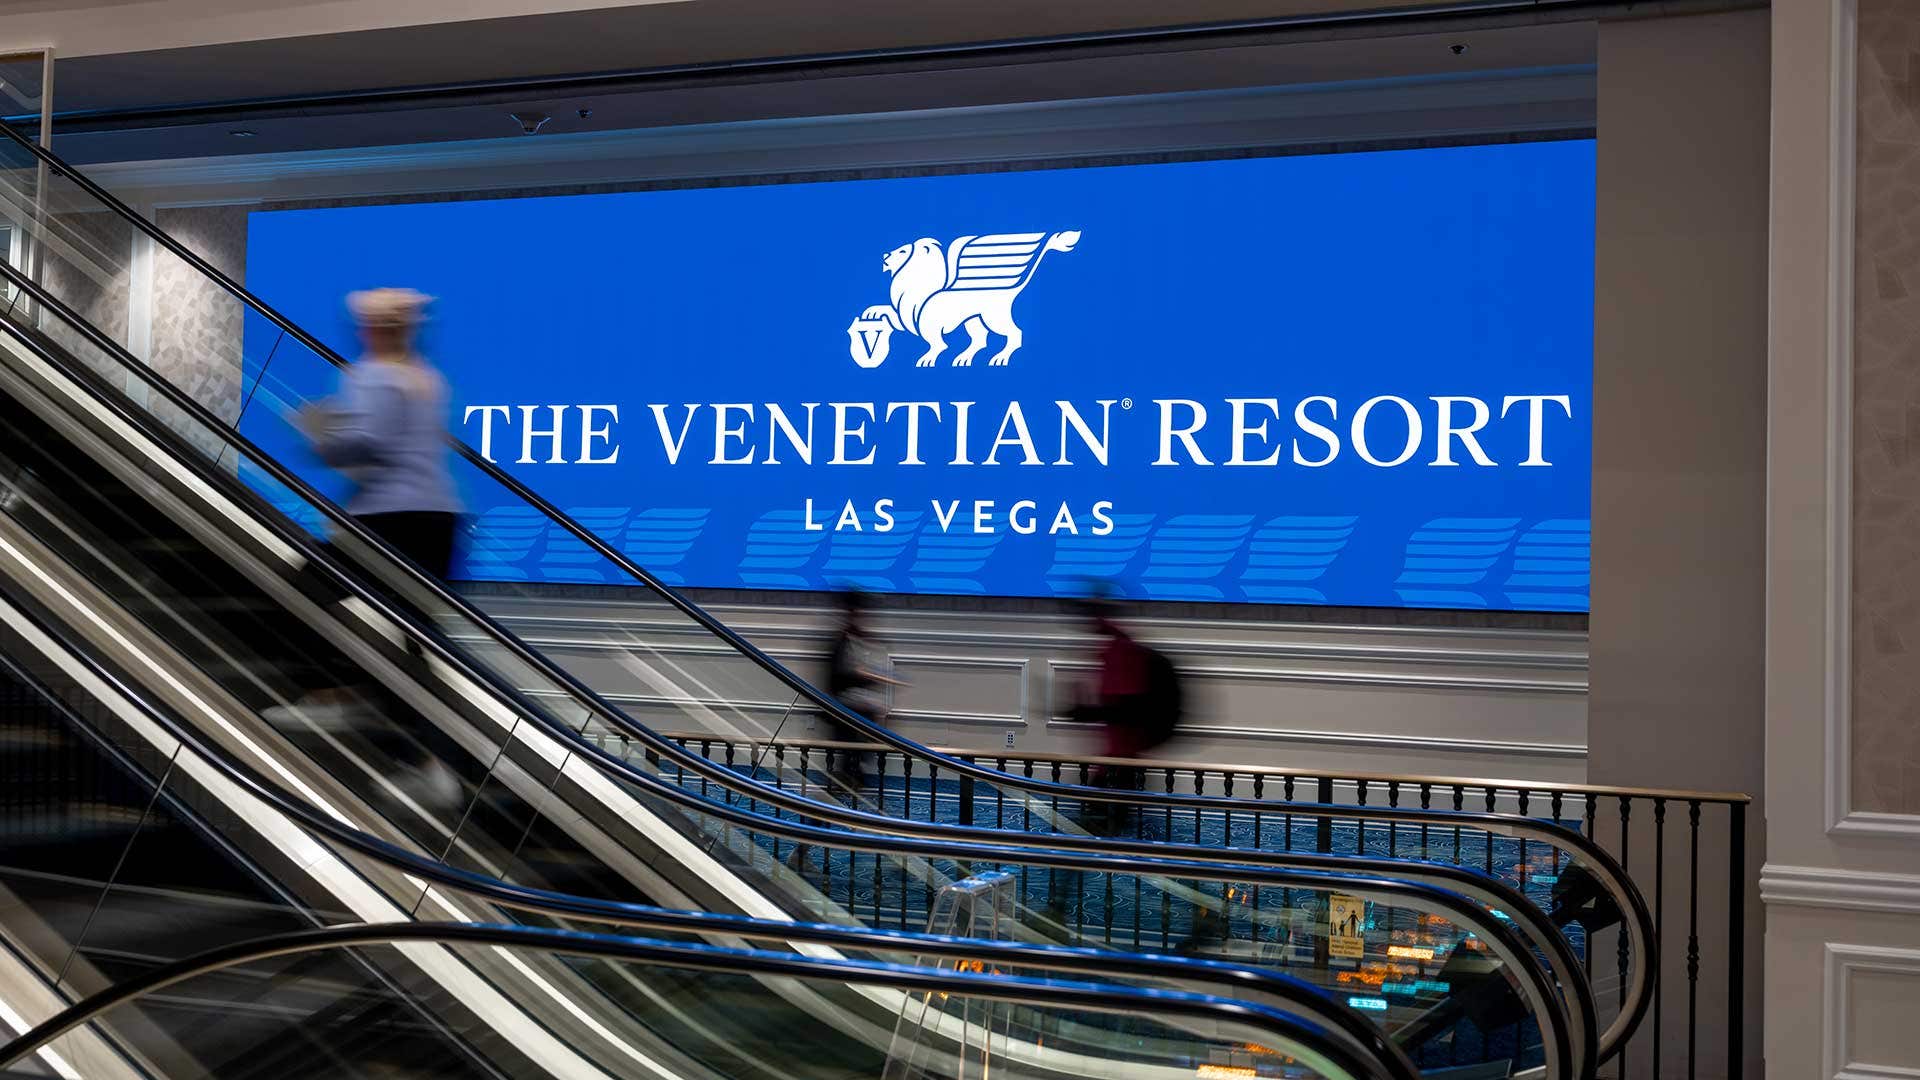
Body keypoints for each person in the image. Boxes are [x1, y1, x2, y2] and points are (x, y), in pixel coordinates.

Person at [265, 287, 465, 808]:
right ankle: (432, 763)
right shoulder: (427, 379)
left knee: (301, 590)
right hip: (439, 519)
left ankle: (332, 694)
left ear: (374, 328)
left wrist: (318, 435)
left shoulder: (372, 374)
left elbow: (369, 448)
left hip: (388, 519)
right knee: (410, 645)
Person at [1067, 594, 1183, 833]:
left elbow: (1126, 708)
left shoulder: (1120, 652)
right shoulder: (1119, 647)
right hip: (1121, 759)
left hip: (1119, 760)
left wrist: (1086, 712)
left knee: (1102, 826)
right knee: (1109, 824)